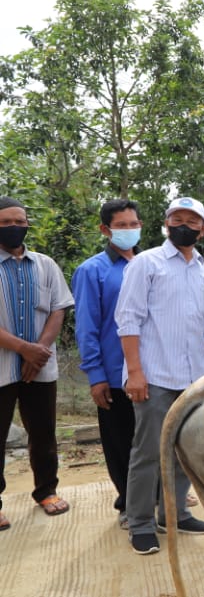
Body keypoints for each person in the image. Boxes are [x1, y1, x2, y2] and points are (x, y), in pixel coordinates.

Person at [116, 196, 204, 555]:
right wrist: (135, 372)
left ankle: (172, 514)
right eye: (177, 218)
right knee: (148, 451)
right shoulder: (147, 264)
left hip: (193, 378)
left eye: (192, 221)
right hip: (155, 376)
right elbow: (127, 319)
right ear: (165, 224)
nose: (184, 225)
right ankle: (141, 522)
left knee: (183, 451)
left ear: (203, 230)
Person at [0, 196, 74, 530]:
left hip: (41, 367)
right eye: (6, 223)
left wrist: (39, 351)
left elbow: (59, 307)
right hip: (2, 368)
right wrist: (23, 349)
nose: (15, 227)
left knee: (43, 434)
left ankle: (46, 490)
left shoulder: (45, 264)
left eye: (20, 221)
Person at [71, 199, 142, 529]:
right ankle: (128, 504)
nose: (129, 230)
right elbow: (87, 327)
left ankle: (157, 497)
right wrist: (96, 375)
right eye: (122, 225)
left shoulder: (149, 265)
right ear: (105, 229)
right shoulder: (92, 271)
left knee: (152, 439)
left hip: (149, 371)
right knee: (120, 443)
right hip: (114, 373)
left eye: (133, 224)